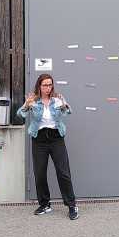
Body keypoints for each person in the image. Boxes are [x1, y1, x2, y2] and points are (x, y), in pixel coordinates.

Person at [17, 74, 79, 220]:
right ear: (39, 86)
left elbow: (68, 111)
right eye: (45, 85)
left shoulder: (57, 99)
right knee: (39, 173)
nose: (47, 88)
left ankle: (72, 205)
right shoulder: (34, 101)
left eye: (50, 85)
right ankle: (45, 204)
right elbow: (20, 114)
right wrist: (27, 105)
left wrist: (65, 105)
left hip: (56, 137)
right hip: (39, 139)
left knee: (63, 172)